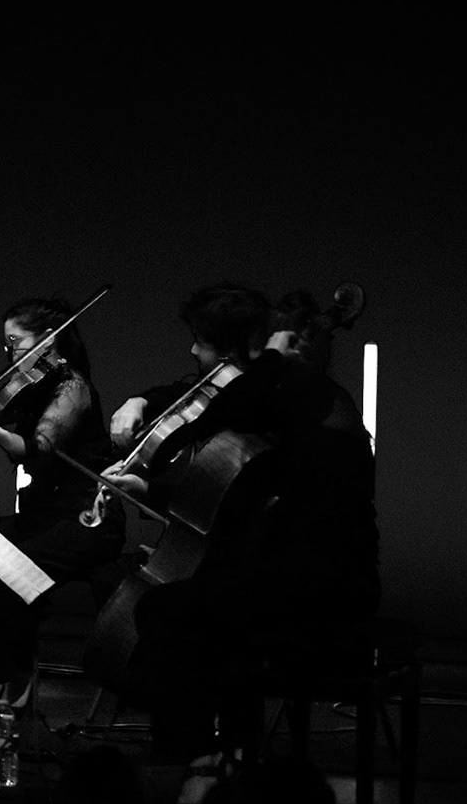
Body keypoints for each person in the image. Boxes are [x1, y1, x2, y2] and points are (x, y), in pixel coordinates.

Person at [110, 281, 379, 762]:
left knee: (163, 613)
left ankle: (194, 765)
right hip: (297, 577)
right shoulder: (297, 401)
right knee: (198, 611)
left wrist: (273, 360)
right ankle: (229, 758)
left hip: (326, 589)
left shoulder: (315, 401)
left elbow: (227, 410)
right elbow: (233, 486)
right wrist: (150, 488)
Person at [0, 297, 124, 711]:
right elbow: (0, 430)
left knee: (7, 564)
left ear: (48, 340)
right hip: (45, 514)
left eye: (15, 342)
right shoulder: (33, 386)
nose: (10, 354)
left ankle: (17, 677)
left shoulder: (73, 388)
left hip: (88, 517)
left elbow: (35, 450)